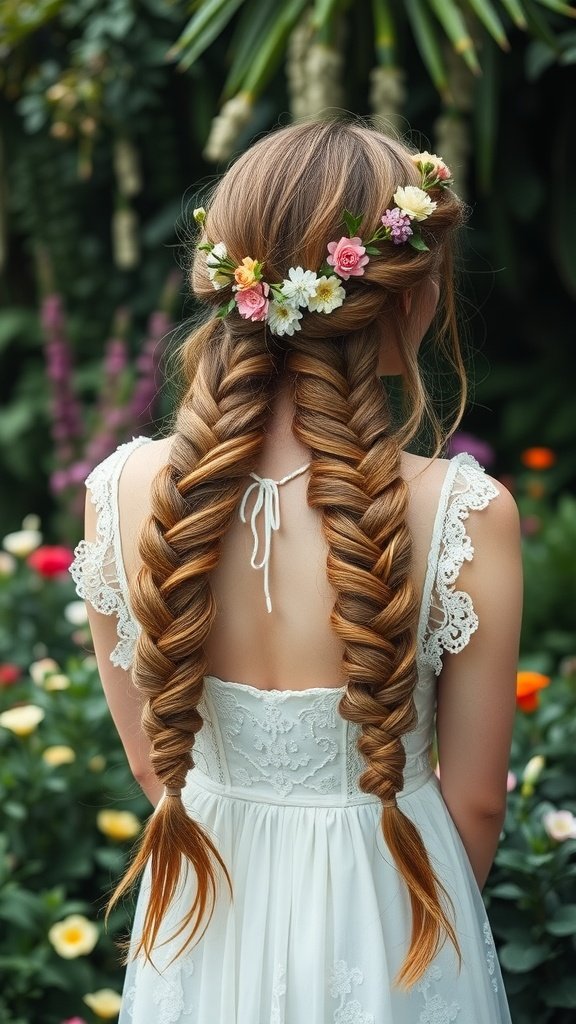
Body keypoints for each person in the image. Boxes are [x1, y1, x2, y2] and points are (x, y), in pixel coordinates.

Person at [70, 118, 523, 1024]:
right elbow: (475, 803)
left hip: (203, 912)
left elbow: (154, 758)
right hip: (397, 918)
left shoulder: (120, 492)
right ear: (404, 296)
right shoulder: (463, 516)